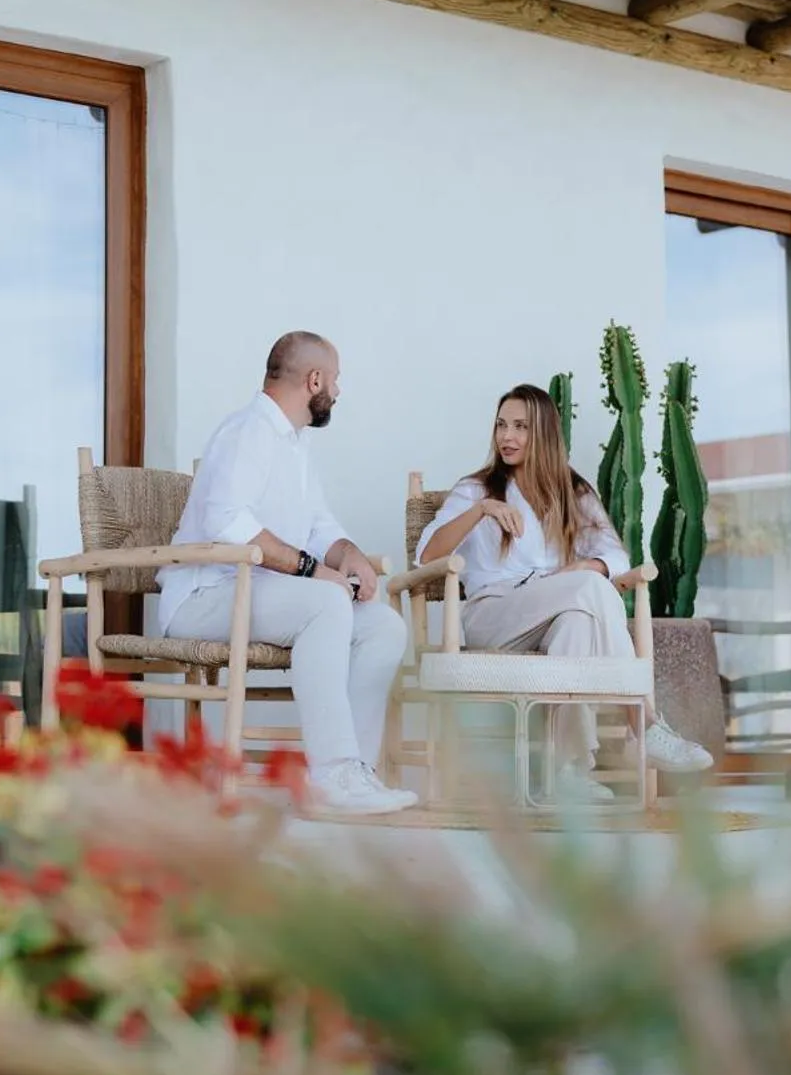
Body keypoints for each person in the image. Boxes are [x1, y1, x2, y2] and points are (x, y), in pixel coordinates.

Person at [160, 333, 417, 816]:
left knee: (383, 625)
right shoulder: (247, 432)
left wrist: (351, 557)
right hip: (206, 597)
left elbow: (322, 528)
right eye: (336, 381)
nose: (338, 392)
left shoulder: (294, 445)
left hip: (263, 596)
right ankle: (332, 771)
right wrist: (313, 571)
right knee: (325, 602)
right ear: (314, 380)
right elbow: (226, 521)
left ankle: (357, 771)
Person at [417, 383, 713, 795]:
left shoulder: (573, 491)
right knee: (589, 590)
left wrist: (579, 571)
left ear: (544, 434)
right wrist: (481, 510)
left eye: (520, 426)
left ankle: (568, 776)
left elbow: (615, 557)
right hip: (495, 617)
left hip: (555, 612)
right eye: (502, 425)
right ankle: (643, 726)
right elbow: (427, 552)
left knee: (577, 622)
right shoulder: (477, 489)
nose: (507, 436)